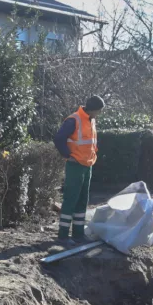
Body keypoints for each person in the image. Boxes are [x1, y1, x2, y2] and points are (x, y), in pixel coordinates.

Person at [53, 95, 105, 245]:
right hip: (75, 165)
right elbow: (59, 139)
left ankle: (78, 234)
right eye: (99, 110)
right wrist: (68, 156)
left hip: (87, 165)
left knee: (82, 200)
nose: (100, 113)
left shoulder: (91, 120)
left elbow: (91, 142)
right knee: (71, 199)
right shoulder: (74, 119)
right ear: (93, 109)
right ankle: (63, 236)